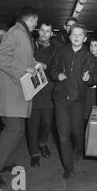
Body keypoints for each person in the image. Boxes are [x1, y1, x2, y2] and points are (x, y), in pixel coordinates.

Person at [0, 6, 40, 186]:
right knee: (13, 130)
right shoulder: (15, 32)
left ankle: (6, 162)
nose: (36, 25)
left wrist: (37, 64)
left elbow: (22, 59)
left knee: (18, 131)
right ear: (31, 19)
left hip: (18, 93)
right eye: (36, 22)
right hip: (10, 94)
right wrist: (23, 69)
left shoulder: (23, 35)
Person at [50, 23, 96, 179]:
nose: (76, 37)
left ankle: (78, 149)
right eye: (73, 34)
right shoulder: (61, 51)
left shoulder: (88, 56)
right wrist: (57, 75)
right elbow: (52, 69)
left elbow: (94, 78)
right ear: (69, 37)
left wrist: (89, 79)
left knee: (77, 131)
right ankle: (68, 167)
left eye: (79, 35)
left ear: (84, 38)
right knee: (63, 135)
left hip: (77, 101)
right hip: (61, 98)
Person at [27, 22, 57, 167]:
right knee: (32, 125)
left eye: (48, 31)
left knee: (47, 123)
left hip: (48, 91)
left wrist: (46, 66)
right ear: (38, 31)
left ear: (51, 34)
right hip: (31, 91)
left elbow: (56, 68)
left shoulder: (55, 49)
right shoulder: (29, 45)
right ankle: (35, 153)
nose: (44, 34)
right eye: (42, 30)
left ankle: (42, 142)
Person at [84, 36, 97, 122]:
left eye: (95, 45)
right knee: (85, 117)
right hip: (86, 92)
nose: (92, 48)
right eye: (91, 45)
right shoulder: (85, 59)